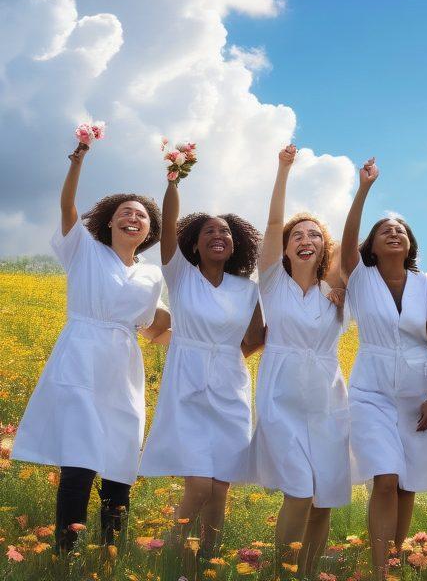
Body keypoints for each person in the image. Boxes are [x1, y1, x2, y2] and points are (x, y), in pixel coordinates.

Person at [13, 138, 169, 551]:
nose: (133, 219)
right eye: (125, 213)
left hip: (124, 369)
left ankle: (110, 552)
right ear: (109, 222)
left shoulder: (152, 275)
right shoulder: (85, 249)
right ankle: (67, 553)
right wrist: (77, 164)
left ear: (150, 229)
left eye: (141, 216)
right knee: (80, 461)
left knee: (121, 461)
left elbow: (152, 326)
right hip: (81, 357)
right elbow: (67, 211)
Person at [139, 171, 264, 559]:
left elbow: (257, 337)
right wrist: (174, 181)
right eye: (209, 231)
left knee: (220, 485)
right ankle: (167, 551)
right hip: (187, 383)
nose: (218, 236)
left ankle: (207, 560)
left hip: (230, 388)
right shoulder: (180, 276)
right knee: (199, 483)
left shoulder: (248, 289)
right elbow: (167, 231)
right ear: (193, 242)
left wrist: (227, 358)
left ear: (235, 244)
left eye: (225, 232)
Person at [340, 157, 427, 579]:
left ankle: (396, 563)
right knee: (385, 479)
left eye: (400, 230)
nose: (393, 232)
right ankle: (379, 570)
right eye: (385, 230)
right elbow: (347, 238)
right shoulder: (360, 278)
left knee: (408, 485)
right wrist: (363, 189)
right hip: (370, 392)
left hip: (417, 395)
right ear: (372, 245)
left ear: (410, 244)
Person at [251, 145, 352, 575]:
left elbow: (352, 243)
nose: (305, 240)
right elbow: (274, 222)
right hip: (282, 394)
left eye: (314, 235)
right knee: (299, 488)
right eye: (298, 236)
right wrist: (283, 169)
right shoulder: (273, 283)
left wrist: (361, 188)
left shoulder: (337, 292)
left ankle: (308, 572)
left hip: (328, 397)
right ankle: (282, 571)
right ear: (285, 249)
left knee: (324, 495)